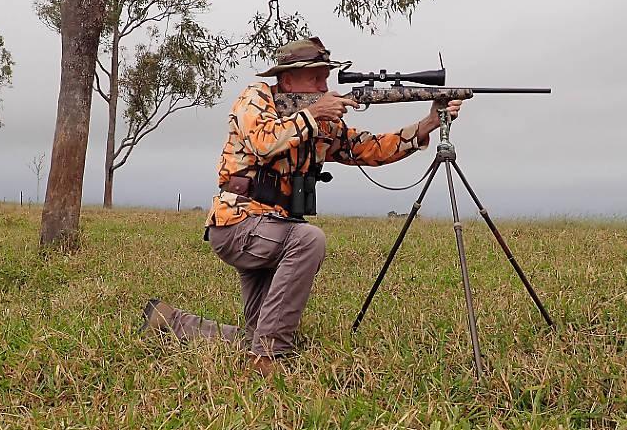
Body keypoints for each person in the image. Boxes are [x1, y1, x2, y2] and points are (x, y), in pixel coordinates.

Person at [140, 37, 462, 375]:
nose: (325, 86)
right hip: (238, 223)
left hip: (275, 227)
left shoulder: (321, 120)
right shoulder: (256, 98)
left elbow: (370, 149)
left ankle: (171, 322)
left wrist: (428, 123)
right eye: (316, 78)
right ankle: (267, 359)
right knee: (309, 240)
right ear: (288, 79)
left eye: (326, 78)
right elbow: (264, 143)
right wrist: (312, 113)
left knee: (258, 331)